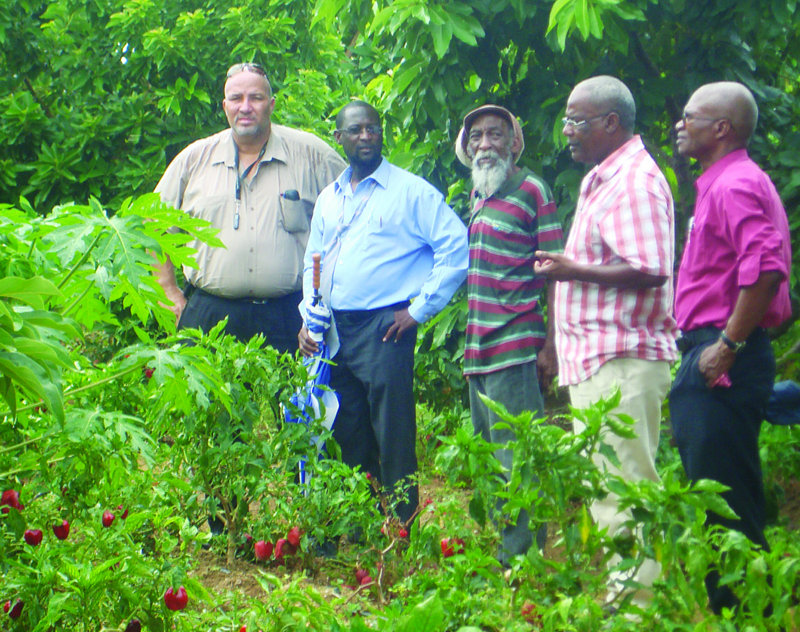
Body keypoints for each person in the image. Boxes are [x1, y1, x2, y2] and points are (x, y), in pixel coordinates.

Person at [534, 76, 678, 609]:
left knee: (625, 488)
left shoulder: (635, 181)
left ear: (611, 123)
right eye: (567, 120)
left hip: (621, 359)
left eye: (578, 121)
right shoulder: (604, 177)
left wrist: (574, 268)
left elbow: (650, 268)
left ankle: (637, 609)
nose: (567, 131)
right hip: (601, 359)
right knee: (611, 486)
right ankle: (632, 599)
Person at [298, 100, 468, 523]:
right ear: (339, 138)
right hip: (335, 330)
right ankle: (359, 524)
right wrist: (309, 316)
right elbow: (313, 260)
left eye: (373, 129)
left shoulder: (410, 192)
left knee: (392, 430)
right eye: (355, 131)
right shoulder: (329, 198)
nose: (366, 137)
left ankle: (402, 526)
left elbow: (455, 246)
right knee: (346, 426)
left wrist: (419, 310)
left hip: (385, 328)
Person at [669, 81, 791, 614]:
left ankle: (745, 615)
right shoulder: (722, 182)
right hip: (715, 349)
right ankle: (744, 611)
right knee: (723, 494)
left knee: (726, 504)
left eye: (690, 116)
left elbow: (765, 268)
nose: (680, 123)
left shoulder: (735, 184)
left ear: (721, 128)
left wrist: (727, 346)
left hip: (722, 354)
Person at [154, 62, 346, 353]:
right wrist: (168, 291)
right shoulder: (193, 160)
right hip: (207, 315)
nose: (245, 107)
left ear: (271, 104)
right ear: (224, 106)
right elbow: (152, 228)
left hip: (291, 318)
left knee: (287, 397)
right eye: (236, 98)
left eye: (255, 98)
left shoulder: (312, 155)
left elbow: (358, 213)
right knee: (206, 399)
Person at [454, 104, 563, 565]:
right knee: (491, 460)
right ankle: (507, 551)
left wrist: (552, 344)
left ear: (513, 142)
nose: (484, 144)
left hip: (515, 346)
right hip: (479, 351)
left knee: (518, 459)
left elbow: (555, 271)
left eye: (495, 135)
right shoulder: (480, 193)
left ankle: (524, 561)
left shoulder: (532, 189)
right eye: (476, 136)